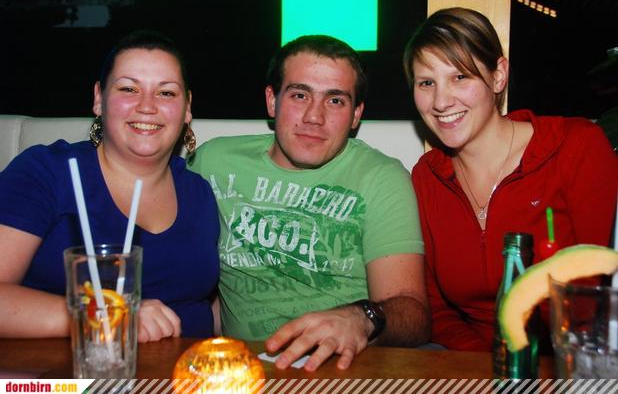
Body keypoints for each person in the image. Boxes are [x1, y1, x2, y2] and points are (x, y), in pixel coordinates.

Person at [188, 35, 430, 371]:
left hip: (345, 371)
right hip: (242, 373)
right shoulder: (212, 163)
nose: (314, 116)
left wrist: (362, 318)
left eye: (335, 101)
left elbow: (413, 315)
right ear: (272, 101)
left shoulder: (380, 178)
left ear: (356, 115)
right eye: (300, 95)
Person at [403, 7, 618, 351]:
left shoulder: (576, 148)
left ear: (498, 76)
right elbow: (437, 309)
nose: (441, 101)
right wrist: (486, 368)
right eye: (427, 83)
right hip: (470, 362)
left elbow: (595, 290)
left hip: (563, 357)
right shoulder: (427, 177)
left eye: (460, 77)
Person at [0, 30, 220, 342]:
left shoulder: (200, 193)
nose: (147, 106)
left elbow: (207, 307)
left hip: (190, 369)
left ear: (187, 108)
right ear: (99, 98)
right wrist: (106, 316)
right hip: (75, 370)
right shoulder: (46, 172)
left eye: (166, 93)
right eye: (129, 89)